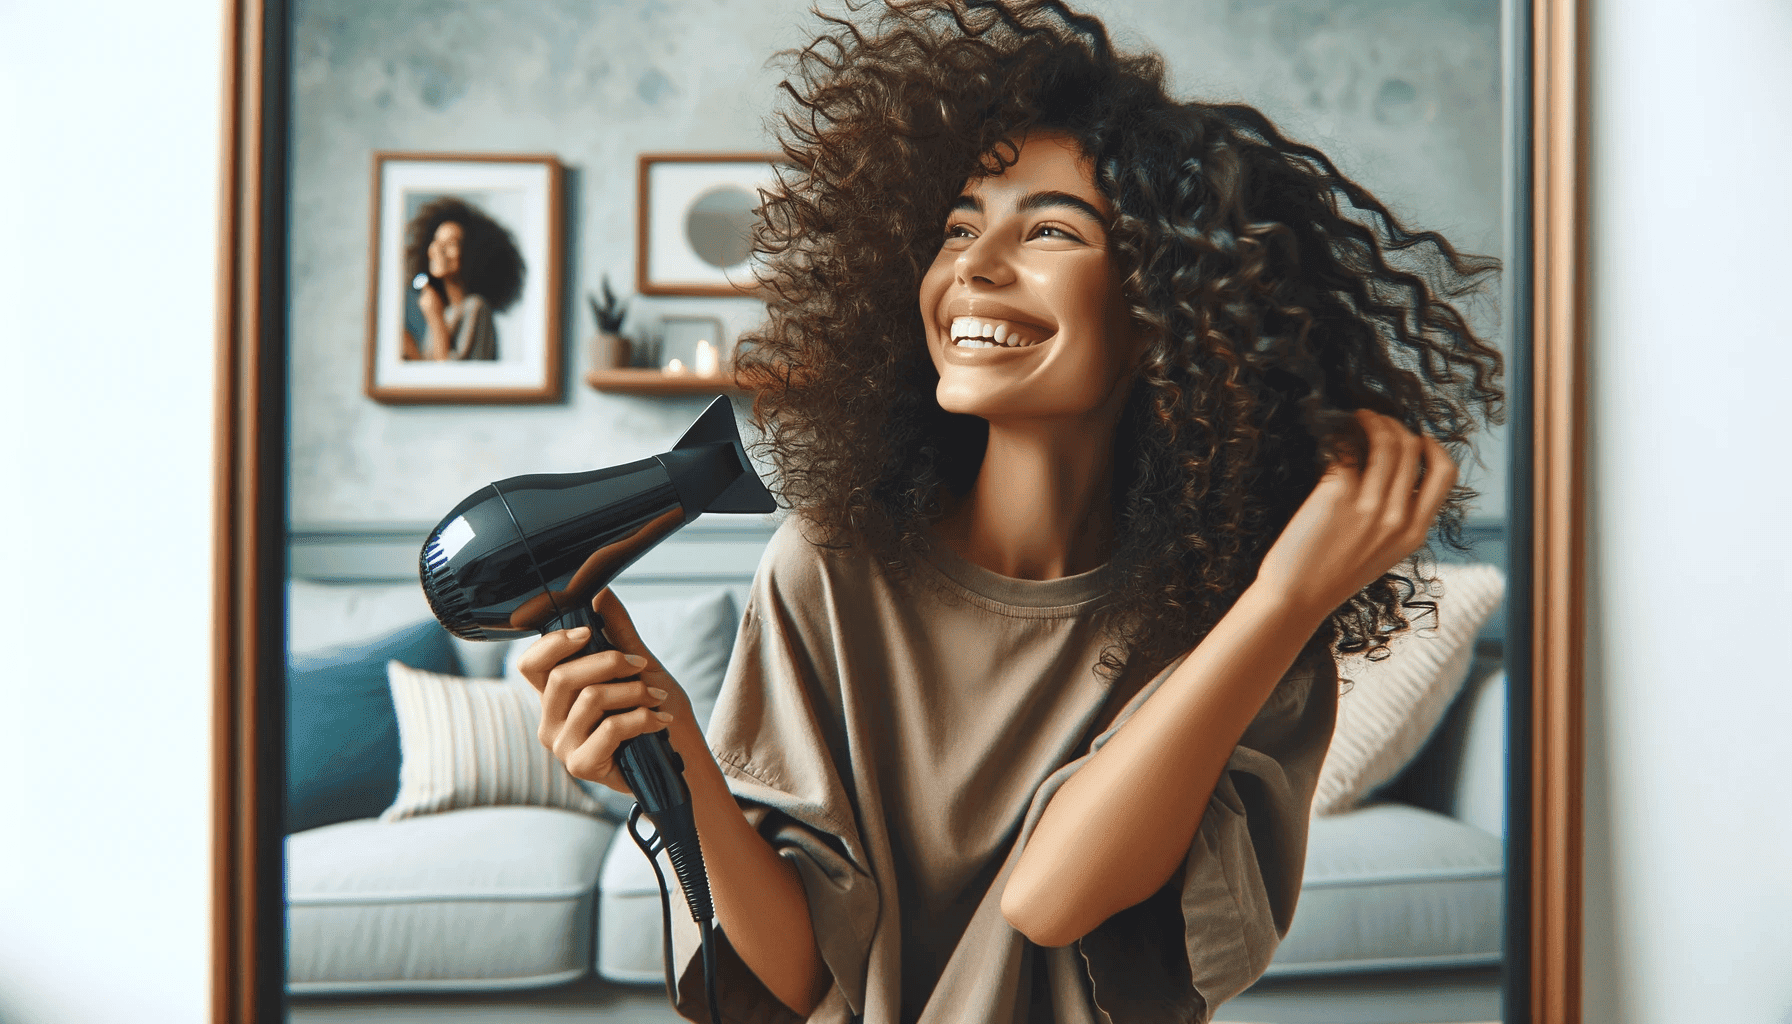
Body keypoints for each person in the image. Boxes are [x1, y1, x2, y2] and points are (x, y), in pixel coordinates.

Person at [520, 2, 1504, 1021]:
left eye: (1049, 230)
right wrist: (676, 756)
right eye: (958, 227)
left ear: (1163, 310)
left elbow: (1055, 899)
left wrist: (1283, 602)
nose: (974, 268)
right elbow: (795, 978)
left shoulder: (1248, 619)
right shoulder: (828, 564)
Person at [400, 196, 525, 361]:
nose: (438, 249)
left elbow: (453, 374)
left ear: (472, 253)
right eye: (436, 241)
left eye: (451, 243)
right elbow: (432, 369)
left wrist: (435, 319)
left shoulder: (476, 308)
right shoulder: (446, 312)